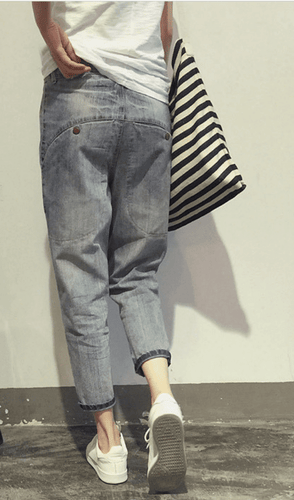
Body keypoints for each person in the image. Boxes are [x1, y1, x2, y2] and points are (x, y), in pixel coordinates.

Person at [32, 1, 187, 492]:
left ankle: (109, 442)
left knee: (82, 274)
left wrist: (47, 26)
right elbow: (165, 27)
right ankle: (163, 400)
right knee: (138, 270)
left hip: (80, 90)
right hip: (149, 101)